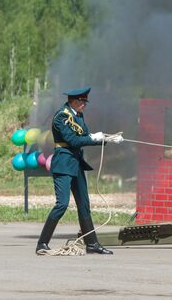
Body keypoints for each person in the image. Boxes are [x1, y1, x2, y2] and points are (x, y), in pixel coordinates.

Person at [36, 87, 123, 255]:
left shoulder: (78, 116)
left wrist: (106, 139)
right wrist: (93, 138)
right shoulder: (61, 117)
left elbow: (85, 136)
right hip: (63, 163)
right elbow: (73, 140)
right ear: (72, 101)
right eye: (82, 102)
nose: (84, 105)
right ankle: (42, 243)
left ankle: (92, 244)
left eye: (85, 102)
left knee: (84, 205)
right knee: (61, 204)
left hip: (76, 164)